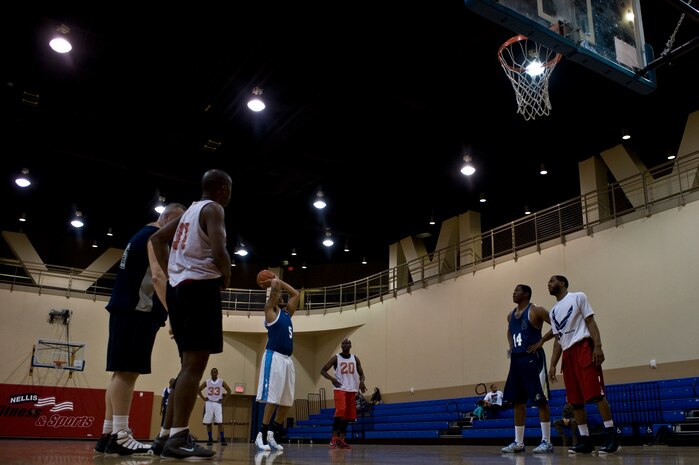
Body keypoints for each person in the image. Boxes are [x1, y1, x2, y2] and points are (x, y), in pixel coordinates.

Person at [149, 168, 233, 459]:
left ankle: (165, 436)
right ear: (222, 188)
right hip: (199, 290)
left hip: (179, 290)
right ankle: (178, 438)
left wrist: (173, 273)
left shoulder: (187, 213)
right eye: (229, 189)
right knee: (195, 366)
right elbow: (220, 250)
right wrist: (227, 274)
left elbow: (158, 239)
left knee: (186, 367)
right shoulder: (214, 209)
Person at [94, 202, 186, 456]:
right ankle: (122, 435)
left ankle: (109, 433)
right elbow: (158, 276)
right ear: (166, 218)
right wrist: (174, 315)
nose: (179, 231)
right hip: (138, 309)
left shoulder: (139, 235)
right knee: (127, 372)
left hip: (125, 308)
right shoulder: (154, 238)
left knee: (119, 373)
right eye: (177, 224)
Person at [547, 275, 621, 454]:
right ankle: (585, 440)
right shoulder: (553, 311)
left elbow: (590, 321)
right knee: (575, 401)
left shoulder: (578, 296)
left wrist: (598, 346)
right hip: (567, 354)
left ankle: (612, 437)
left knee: (597, 394)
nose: (548, 284)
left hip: (584, 349)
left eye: (552, 281)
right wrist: (553, 364)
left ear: (562, 283)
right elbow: (558, 339)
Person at [500, 284, 554, 454]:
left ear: (526, 294)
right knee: (518, 401)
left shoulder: (536, 310)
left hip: (533, 359)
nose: (513, 292)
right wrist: (510, 345)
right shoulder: (510, 315)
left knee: (540, 400)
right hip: (516, 360)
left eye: (516, 290)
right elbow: (509, 332)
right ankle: (519, 442)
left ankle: (546, 441)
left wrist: (542, 341)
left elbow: (557, 325)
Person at [254, 274, 300, 451]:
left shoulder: (287, 314)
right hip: (274, 358)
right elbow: (273, 293)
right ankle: (261, 434)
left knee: (287, 401)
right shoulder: (270, 312)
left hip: (288, 361)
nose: (281, 296)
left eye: (281, 295)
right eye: (277, 295)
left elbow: (295, 294)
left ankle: (272, 433)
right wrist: (274, 284)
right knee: (272, 399)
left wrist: (280, 281)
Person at [320, 338, 367, 449]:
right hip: (340, 388)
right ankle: (334, 437)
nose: (346, 344)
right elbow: (323, 370)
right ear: (341, 346)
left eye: (348, 343)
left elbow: (362, 374)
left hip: (352, 390)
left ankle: (341, 439)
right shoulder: (336, 358)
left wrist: (362, 382)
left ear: (350, 346)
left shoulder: (355, 358)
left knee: (348, 416)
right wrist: (332, 379)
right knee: (340, 410)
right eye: (344, 343)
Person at [198, 367, 232, 445]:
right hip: (209, 403)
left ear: (217, 373)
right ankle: (210, 439)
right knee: (209, 422)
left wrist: (224, 399)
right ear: (210, 373)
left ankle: (223, 439)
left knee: (220, 422)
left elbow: (229, 391)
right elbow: (198, 390)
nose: (214, 373)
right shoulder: (207, 382)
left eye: (215, 372)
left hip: (217, 403)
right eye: (212, 372)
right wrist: (203, 398)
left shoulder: (221, 382)